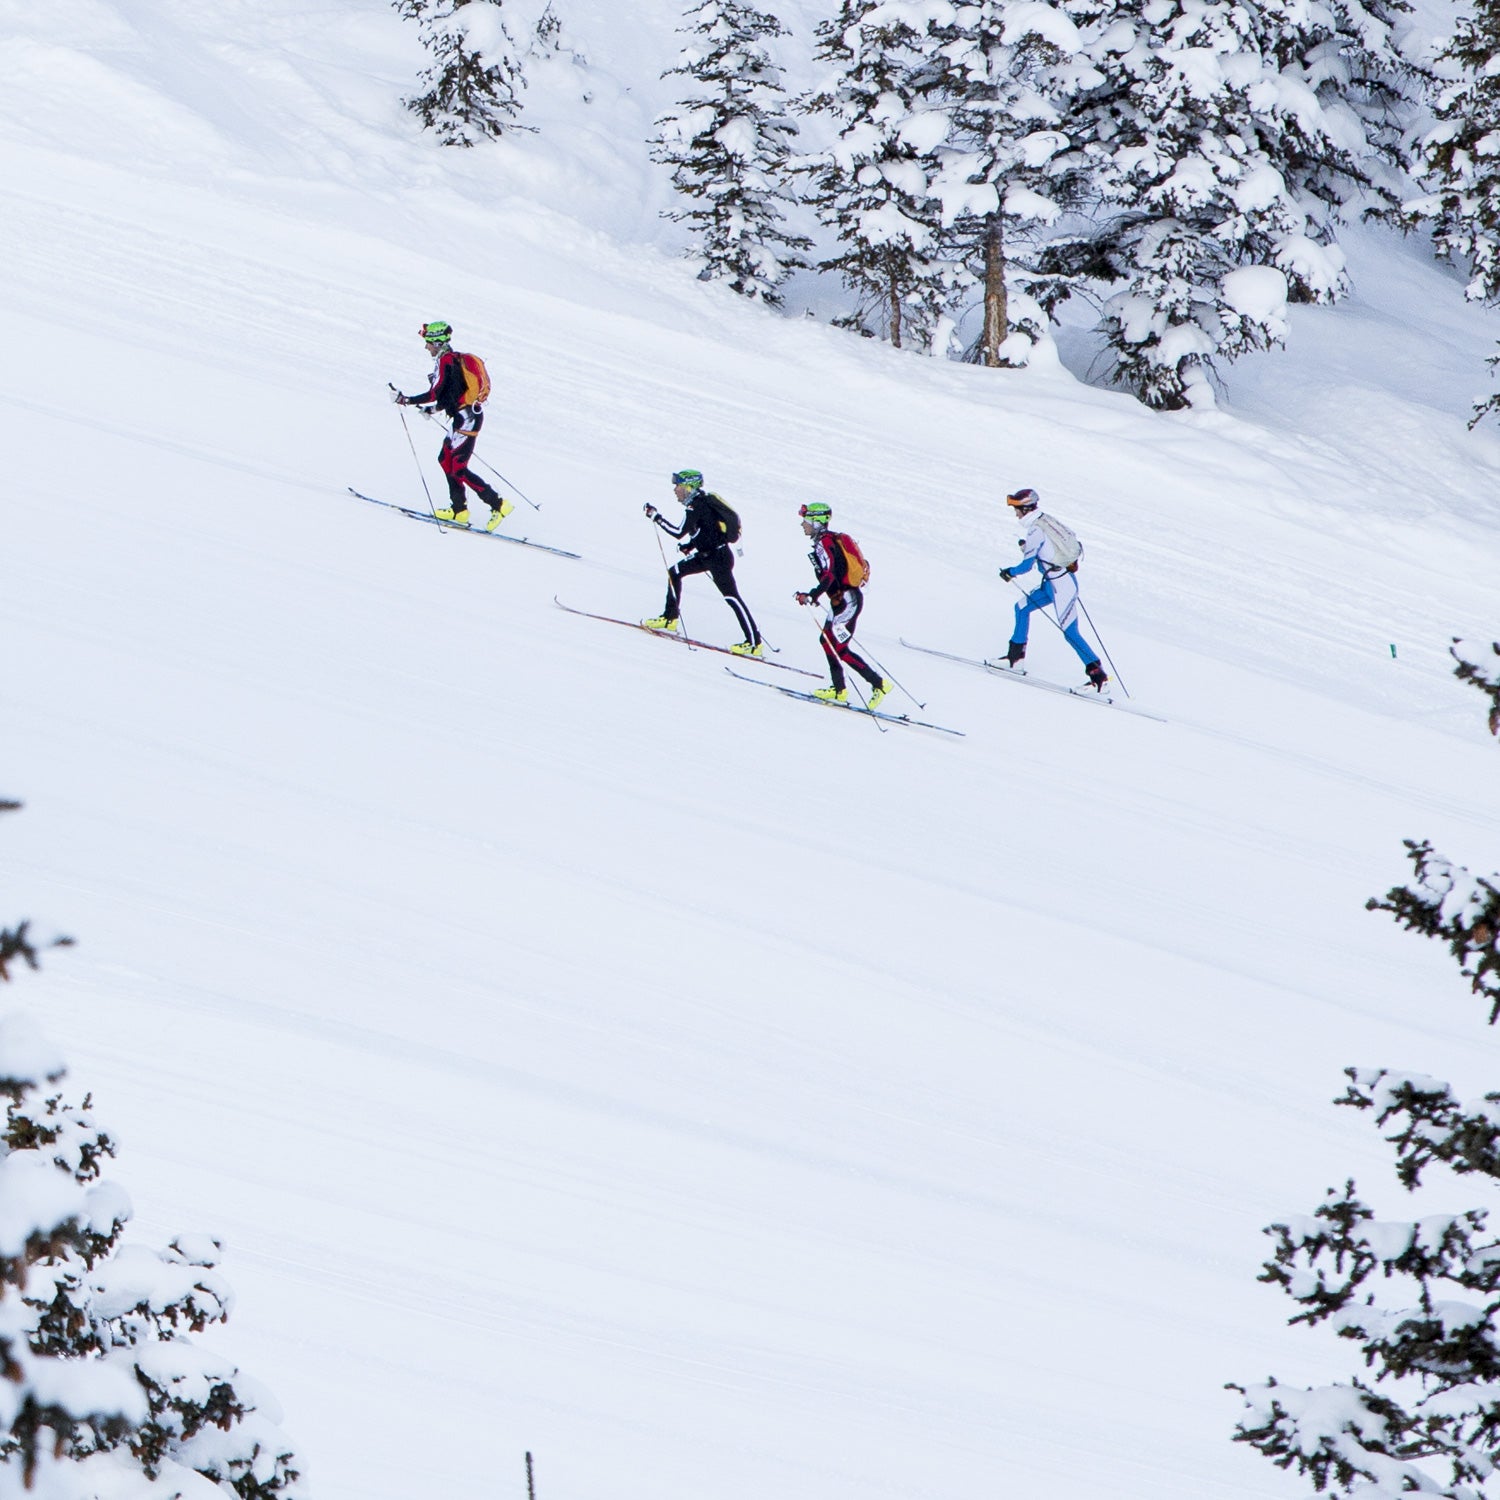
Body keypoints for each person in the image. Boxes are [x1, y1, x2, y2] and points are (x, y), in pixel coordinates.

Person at [394, 321, 515, 532]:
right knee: (445, 459)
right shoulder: (450, 359)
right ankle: (459, 510)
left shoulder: (446, 361)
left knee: (458, 467)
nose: (426, 347)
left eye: (429, 343)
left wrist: (406, 400)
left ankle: (498, 504)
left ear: (438, 342)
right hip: (462, 418)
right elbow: (450, 394)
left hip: (467, 419)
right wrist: (434, 410)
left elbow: (434, 393)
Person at [997, 487, 1108, 691]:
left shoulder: (1035, 530)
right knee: (1021, 609)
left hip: (1061, 587)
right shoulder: (1044, 521)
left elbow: (1025, 567)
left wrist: (1009, 572)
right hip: (1052, 584)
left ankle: (1099, 679)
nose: (1015, 513)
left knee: (1070, 633)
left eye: (1016, 509)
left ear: (1025, 509)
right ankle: (1015, 659)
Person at [642, 469, 763, 656]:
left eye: (678, 486)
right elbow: (706, 530)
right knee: (674, 572)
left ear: (689, 487)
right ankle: (670, 618)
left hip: (718, 559)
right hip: (707, 555)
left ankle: (754, 643)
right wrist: (690, 545)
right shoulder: (700, 504)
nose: (675, 490)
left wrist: (656, 517)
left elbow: (678, 531)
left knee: (732, 598)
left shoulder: (696, 506)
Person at [794, 502, 891, 708]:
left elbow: (829, 575)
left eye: (806, 520)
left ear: (817, 522)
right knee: (827, 641)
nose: (803, 525)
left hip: (847, 601)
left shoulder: (824, 543)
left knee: (839, 647)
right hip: (841, 600)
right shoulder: (826, 541)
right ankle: (839, 690)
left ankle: (879, 684)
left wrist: (812, 595)